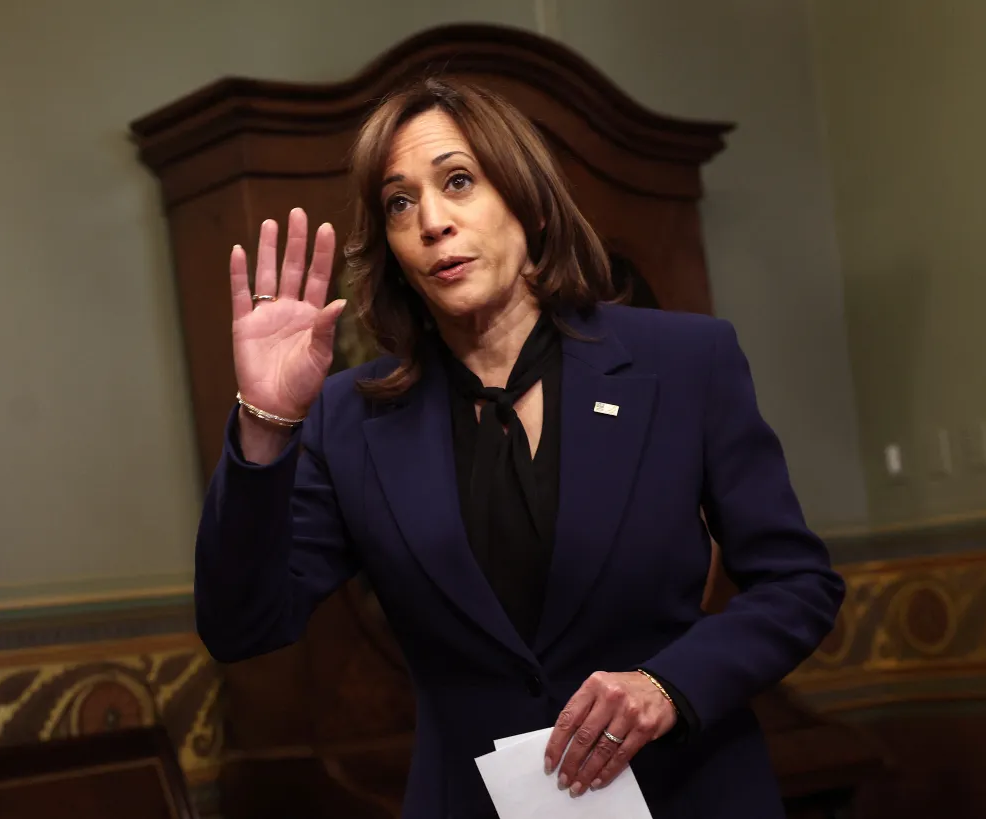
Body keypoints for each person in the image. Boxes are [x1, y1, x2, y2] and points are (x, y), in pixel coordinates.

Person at [194, 77, 845, 819]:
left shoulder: (685, 362)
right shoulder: (351, 416)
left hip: (686, 792)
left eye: (458, 181)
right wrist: (267, 423)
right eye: (399, 202)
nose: (432, 221)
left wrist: (668, 685)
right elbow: (243, 625)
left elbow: (798, 584)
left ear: (529, 203)